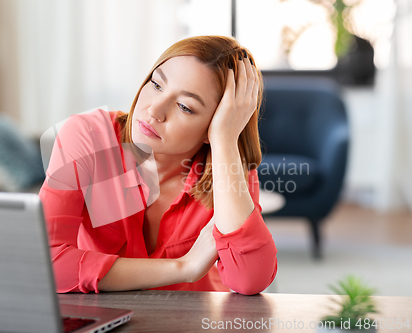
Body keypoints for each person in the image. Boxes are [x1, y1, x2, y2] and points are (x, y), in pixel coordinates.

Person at [39, 35, 277, 295]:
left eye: (185, 107)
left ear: (214, 125)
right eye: (156, 84)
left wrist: (224, 138)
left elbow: (250, 279)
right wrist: (184, 267)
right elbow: (44, 263)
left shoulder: (228, 166)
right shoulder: (88, 137)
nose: (155, 110)